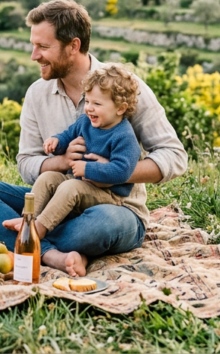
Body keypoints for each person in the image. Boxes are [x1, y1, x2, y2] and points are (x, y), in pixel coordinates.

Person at [0, 0, 188, 276]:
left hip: (114, 209)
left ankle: (13, 238)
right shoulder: (36, 94)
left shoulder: (124, 89)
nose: (34, 56)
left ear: (73, 46)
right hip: (54, 199)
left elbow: (174, 157)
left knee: (99, 226)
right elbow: (26, 162)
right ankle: (50, 253)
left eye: (43, 47)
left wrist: (109, 172)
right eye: (33, 45)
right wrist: (62, 162)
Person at [7, 63, 144, 240]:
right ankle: (27, 220)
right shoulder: (85, 122)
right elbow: (68, 135)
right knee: (47, 178)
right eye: (87, 101)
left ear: (120, 108)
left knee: (69, 187)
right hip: (79, 183)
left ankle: (38, 230)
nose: (89, 108)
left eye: (97, 103)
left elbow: (122, 171)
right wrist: (57, 142)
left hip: (110, 195)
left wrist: (88, 169)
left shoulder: (124, 136)